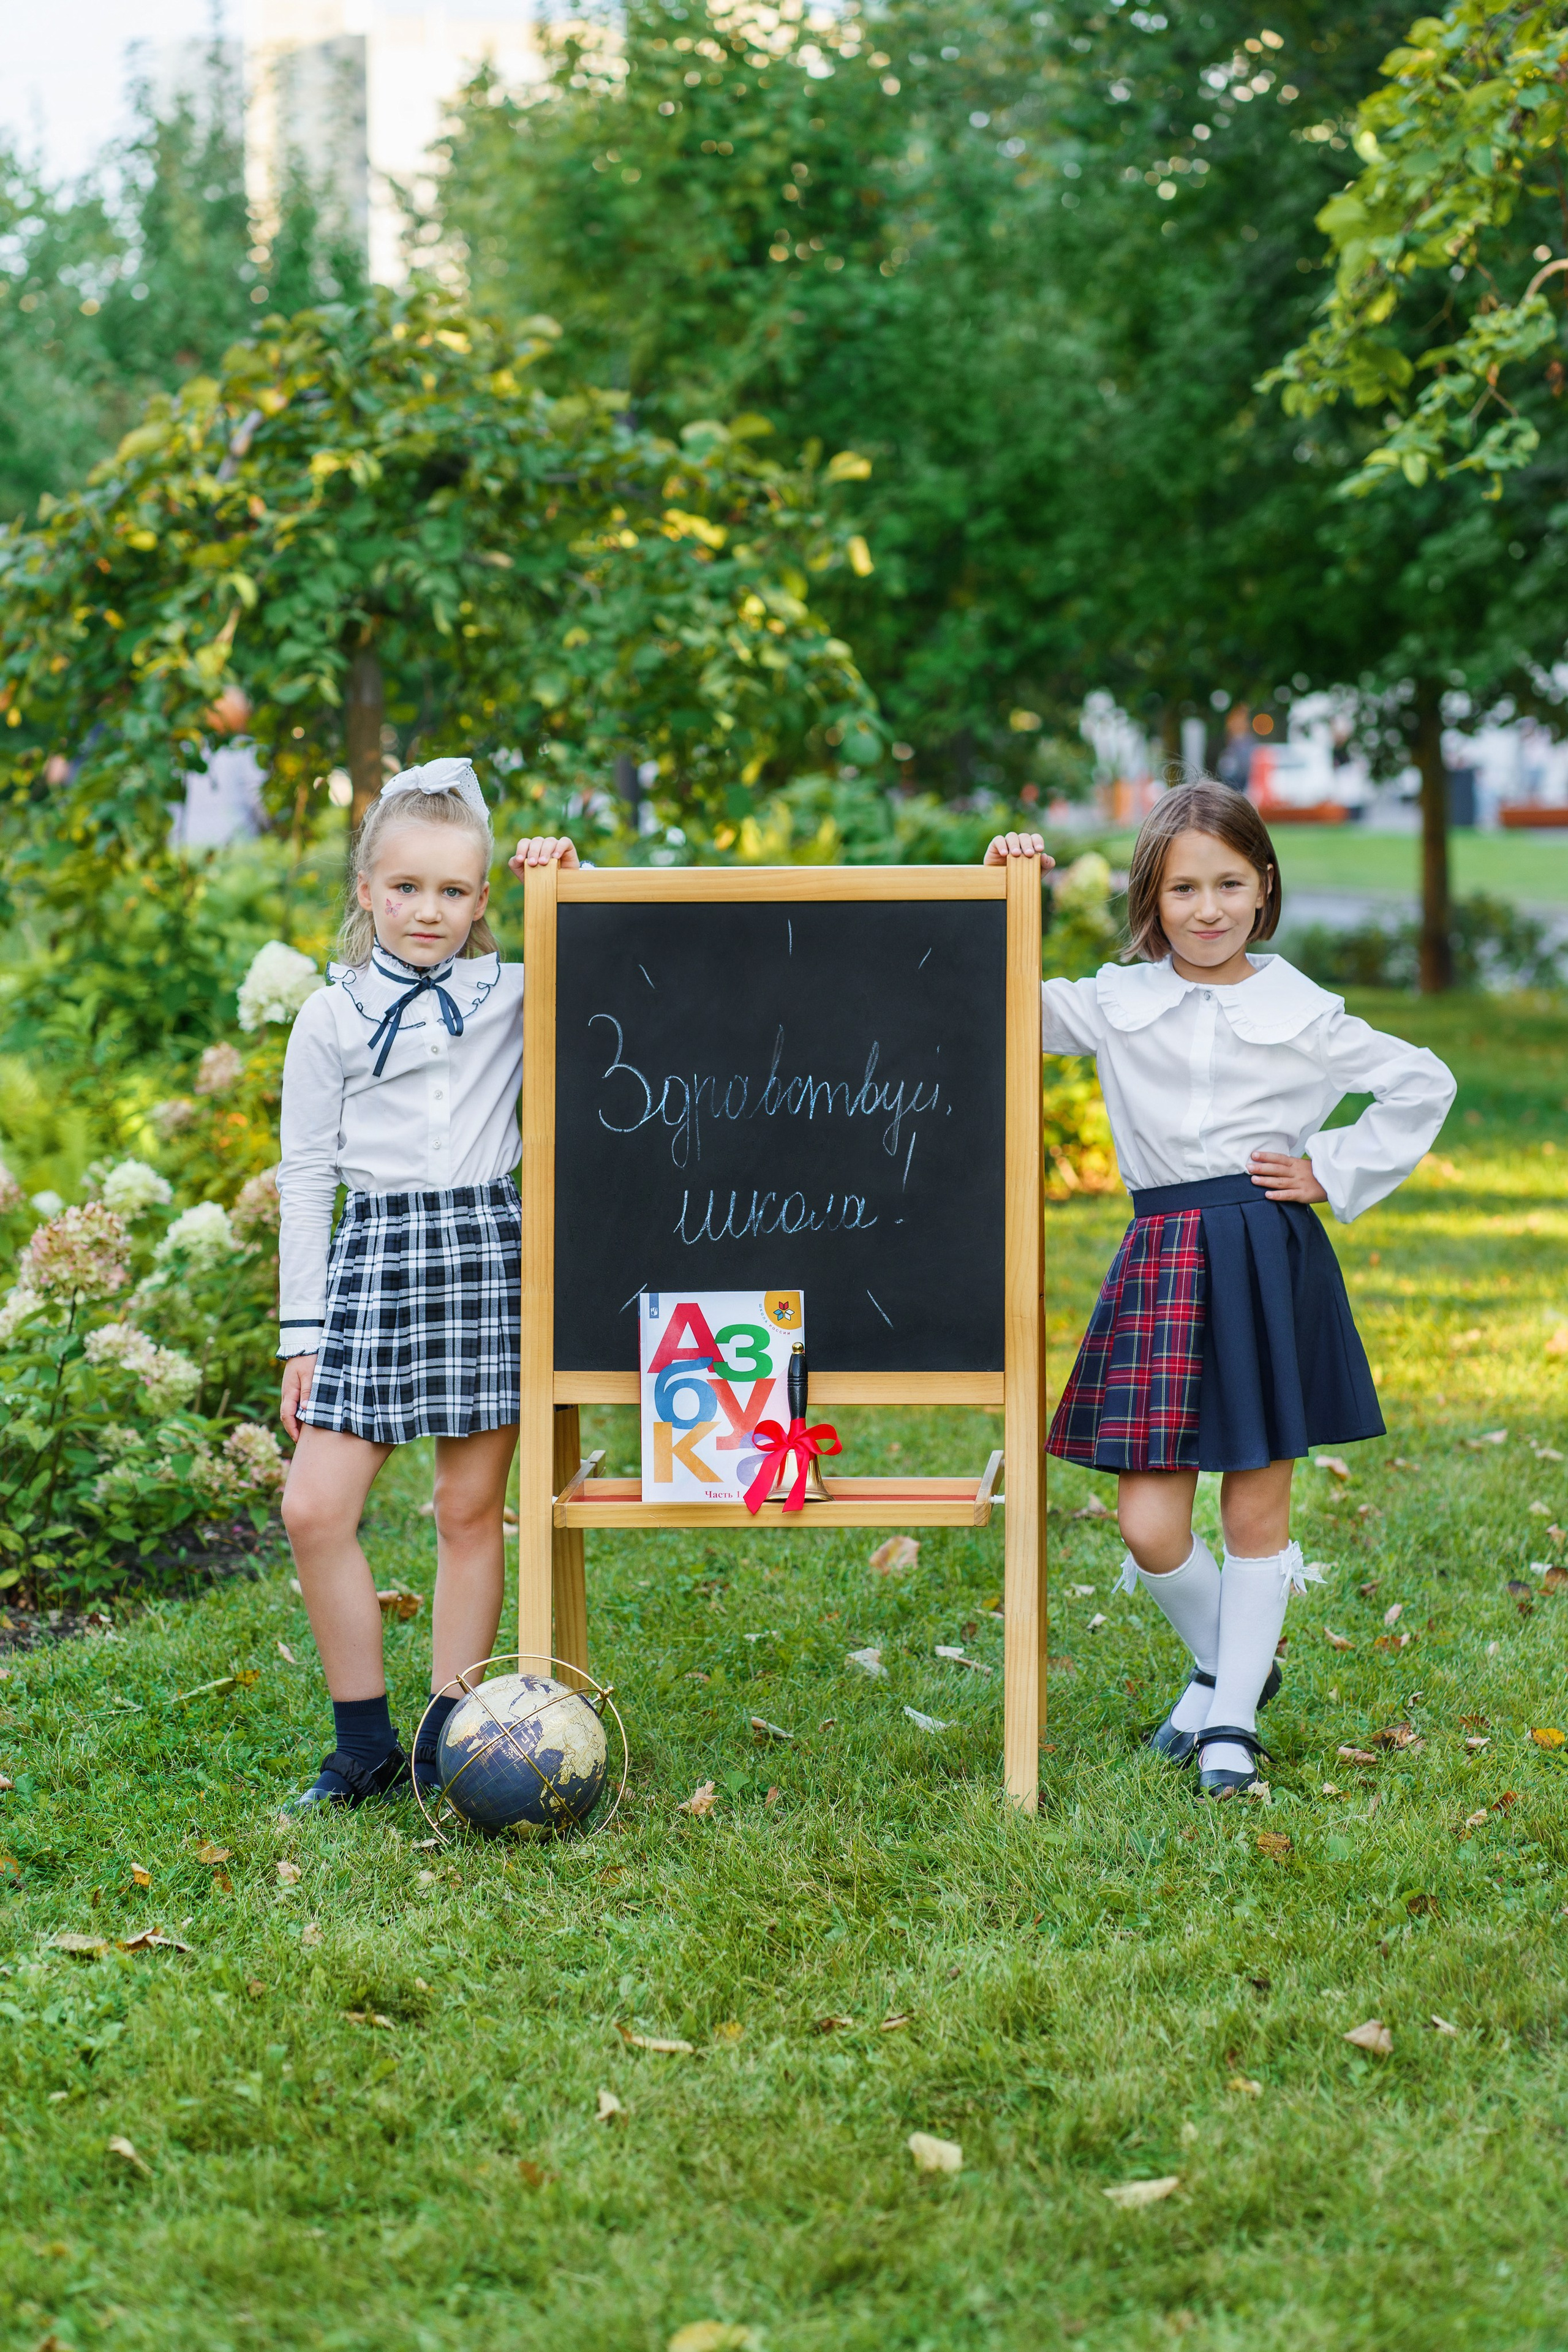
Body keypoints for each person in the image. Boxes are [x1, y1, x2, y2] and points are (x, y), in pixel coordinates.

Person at [986, 788, 1455, 1796]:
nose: (1208, 908)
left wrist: (1329, 1165)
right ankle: (1230, 1658)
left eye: (1230, 884)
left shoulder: (1303, 1013)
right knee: (1150, 1523)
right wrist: (1005, 885)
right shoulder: (1113, 1001)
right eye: (1184, 887)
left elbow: (1423, 1081)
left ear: (1264, 887)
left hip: (1261, 1248)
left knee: (1255, 1503)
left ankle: (1231, 1719)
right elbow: (994, 999)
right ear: (1152, 899)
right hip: (1161, 1251)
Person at [275, 756, 579, 1810]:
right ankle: (360, 1744)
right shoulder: (331, 1016)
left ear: (483, 900)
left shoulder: (512, 986)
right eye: (406, 887)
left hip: (485, 1253)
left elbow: (604, 957)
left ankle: (451, 1737)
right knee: (315, 1507)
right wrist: (300, 1336)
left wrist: (562, 875)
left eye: (454, 891)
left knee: (466, 1508)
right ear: (366, 890)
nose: (428, 910)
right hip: (375, 1262)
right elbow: (308, 1174)